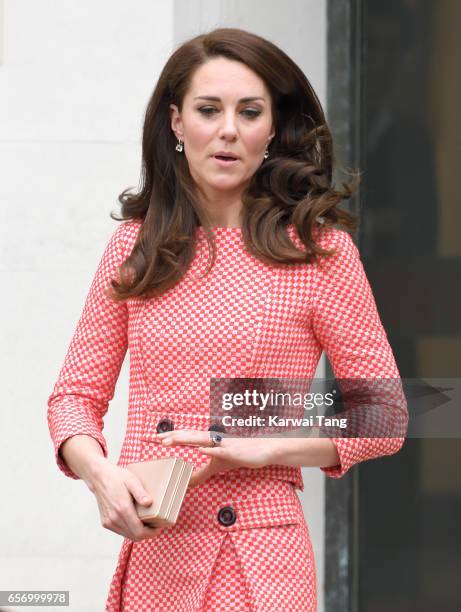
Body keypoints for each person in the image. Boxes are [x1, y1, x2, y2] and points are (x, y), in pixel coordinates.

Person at [47, 27, 407, 611]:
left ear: (272, 128)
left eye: (250, 111)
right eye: (209, 109)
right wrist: (101, 477)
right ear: (176, 122)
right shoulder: (134, 247)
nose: (229, 130)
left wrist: (263, 444)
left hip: (263, 555)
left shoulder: (318, 251)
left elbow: (384, 411)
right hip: (158, 545)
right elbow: (72, 399)